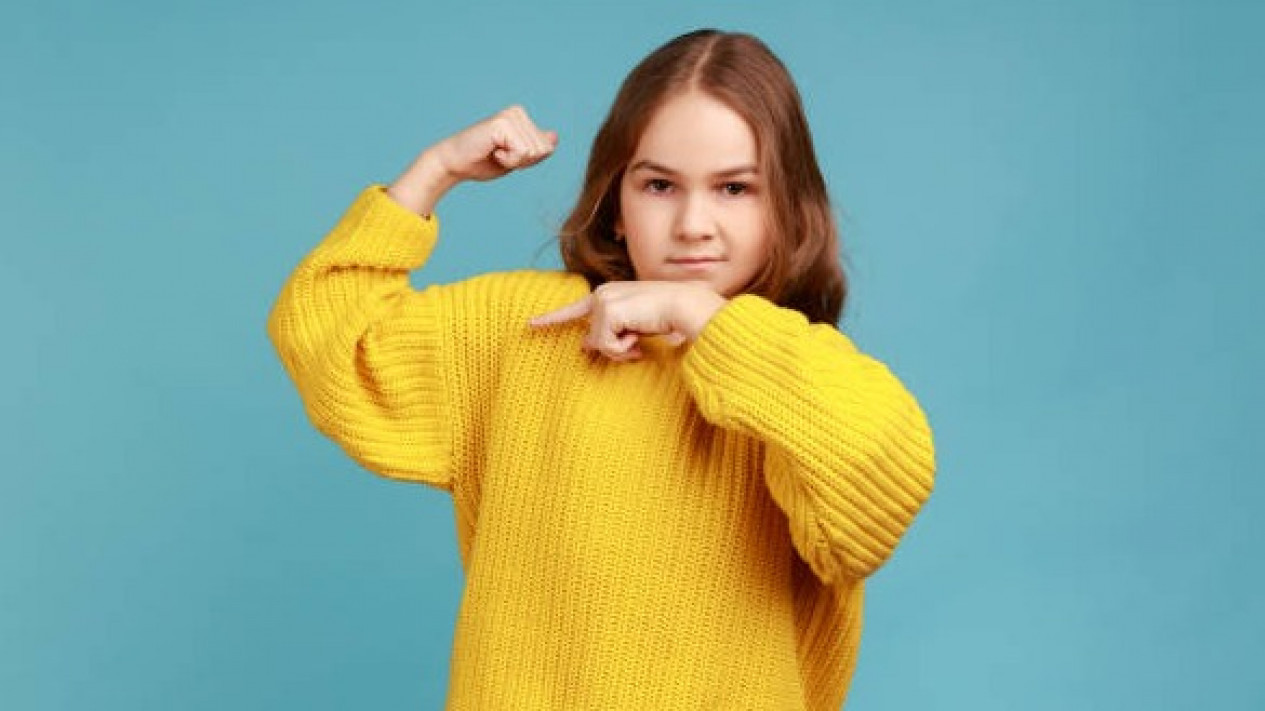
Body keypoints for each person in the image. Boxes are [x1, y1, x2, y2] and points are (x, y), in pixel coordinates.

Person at [268, 28, 935, 711]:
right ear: (616, 204)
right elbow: (330, 333)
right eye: (658, 185)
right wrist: (435, 170)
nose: (693, 223)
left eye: (734, 188)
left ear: (785, 207)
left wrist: (700, 316)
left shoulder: (805, 372)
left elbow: (882, 483)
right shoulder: (529, 331)